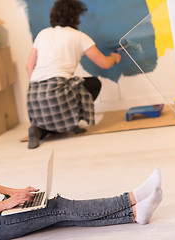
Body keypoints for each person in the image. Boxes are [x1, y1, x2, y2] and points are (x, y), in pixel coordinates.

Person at [0, 87, 163, 240]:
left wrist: (14, 193)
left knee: (60, 214)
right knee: (58, 206)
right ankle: (132, 197)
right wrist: (8, 204)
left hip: (2, 206)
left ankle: (134, 214)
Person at [26, 0, 122, 149]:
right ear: (75, 17)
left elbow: (28, 66)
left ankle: (38, 129)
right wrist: (114, 58)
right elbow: (104, 63)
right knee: (93, 84)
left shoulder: (43, 34)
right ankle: (71, 123)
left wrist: (39, 91)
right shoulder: (79, 37)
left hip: (34, 96)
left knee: (64, 92)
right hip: (58, 91)